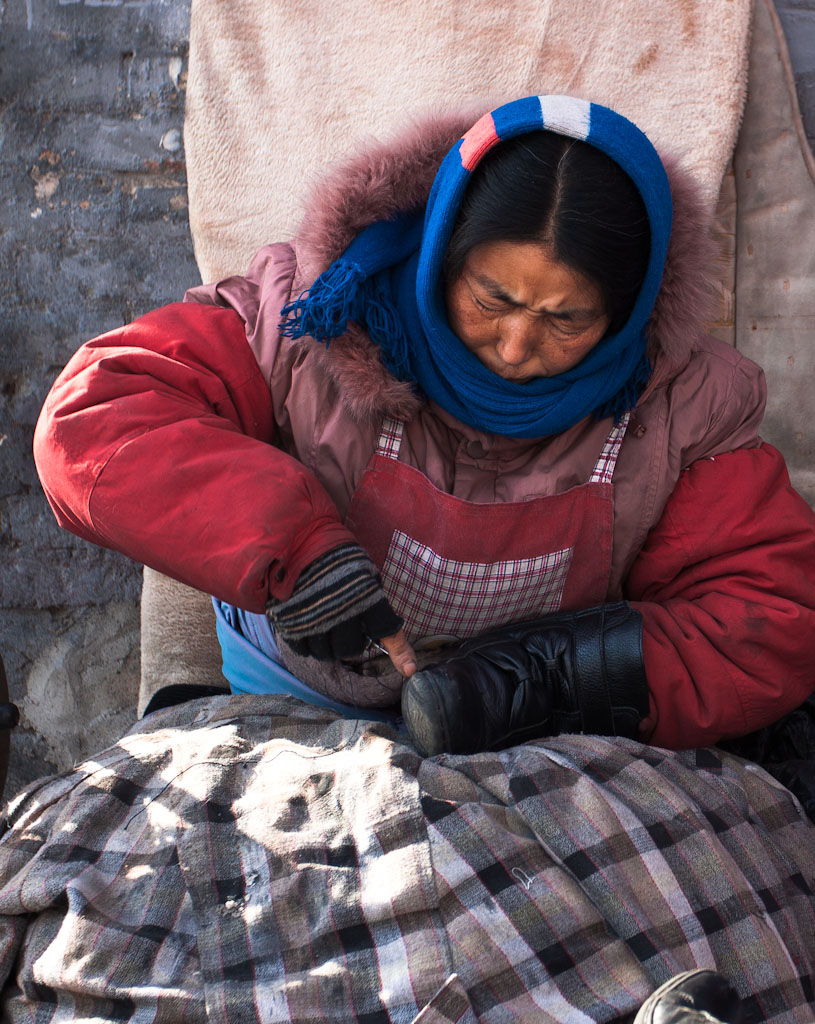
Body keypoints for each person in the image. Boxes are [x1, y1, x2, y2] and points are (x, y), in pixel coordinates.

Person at [33, 95, 815, 756]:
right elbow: (96, 415)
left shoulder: (677, 402)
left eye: (565, 319)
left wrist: (554, 678)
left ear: (628, 310)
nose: (514, 348)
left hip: (539, 742)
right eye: (491, 300)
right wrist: (293, 553)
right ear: (442, 253)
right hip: (290, 703)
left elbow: (774, 613)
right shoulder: (311, 321)